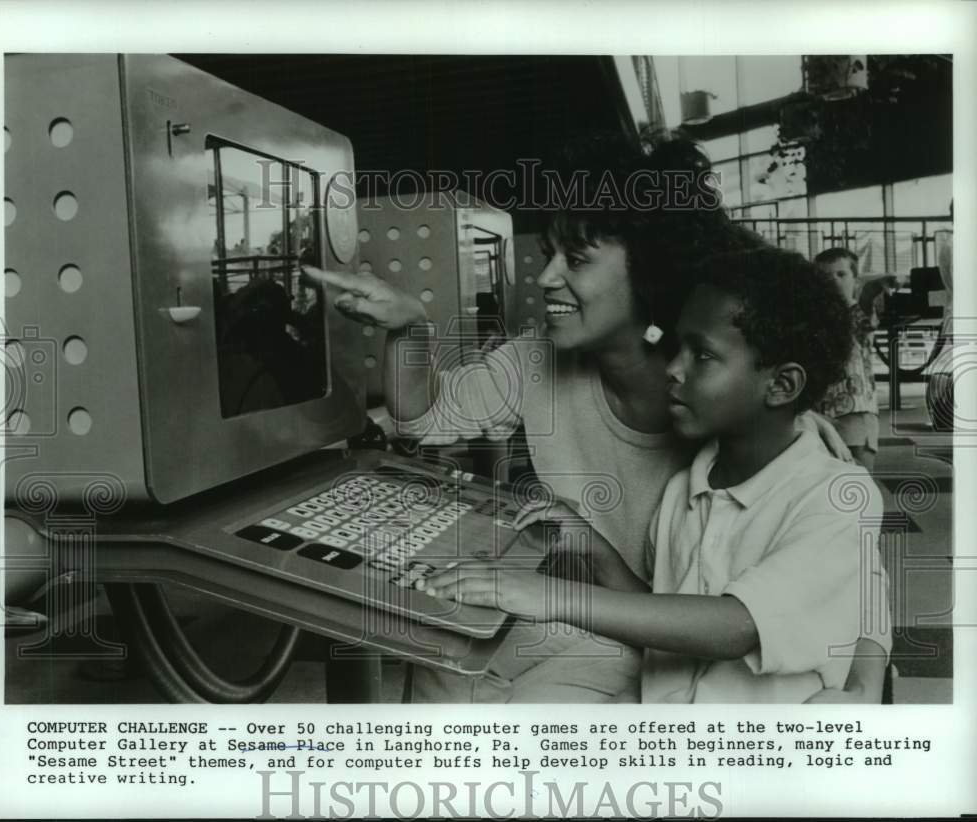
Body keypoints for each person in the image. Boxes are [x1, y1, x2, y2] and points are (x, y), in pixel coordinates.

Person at [303, 129, 887, 703]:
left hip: (658, 651)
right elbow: (425, 418)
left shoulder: (737, 403)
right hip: (607, 623)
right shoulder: (544, 361)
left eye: (576, 260)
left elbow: (846, 574)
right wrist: (410, 327)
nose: (545, 278)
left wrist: (864, 683)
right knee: (443, 651)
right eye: (549, 255)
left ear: (651, 270)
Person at [424, 247, 892, 703]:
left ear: (782, 385)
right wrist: (595, 549)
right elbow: (662, 613)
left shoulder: (834, 493)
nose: (672, 368)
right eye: (675, 346)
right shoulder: (684, 490)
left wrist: (547, 595)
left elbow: (737, 626)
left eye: (701, 355)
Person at [813, 248, 881, 472]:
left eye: (841, 274)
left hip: (856, 414)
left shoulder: (857, 313)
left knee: (857, 477)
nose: (833, 281)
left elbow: (866, 312)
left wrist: (870, 291)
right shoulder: (816, 319)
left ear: (856, 281)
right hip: (821, 414)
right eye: (825, 276)